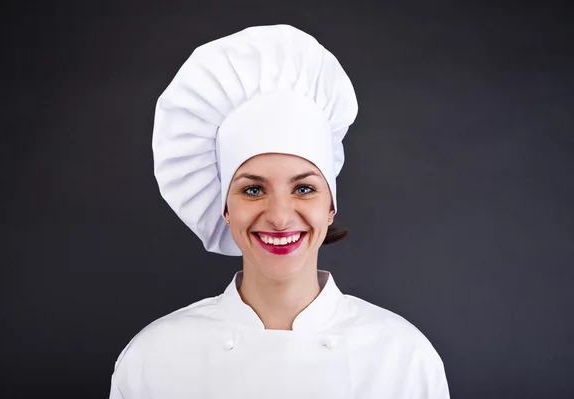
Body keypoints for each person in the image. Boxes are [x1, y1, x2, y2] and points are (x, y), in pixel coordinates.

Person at [108, 24, 450, 398]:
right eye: (253, 189)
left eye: (304, 188)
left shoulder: (403, 358)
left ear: (330, 205)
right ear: (224, 207)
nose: (280, 216)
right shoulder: (154, 361)